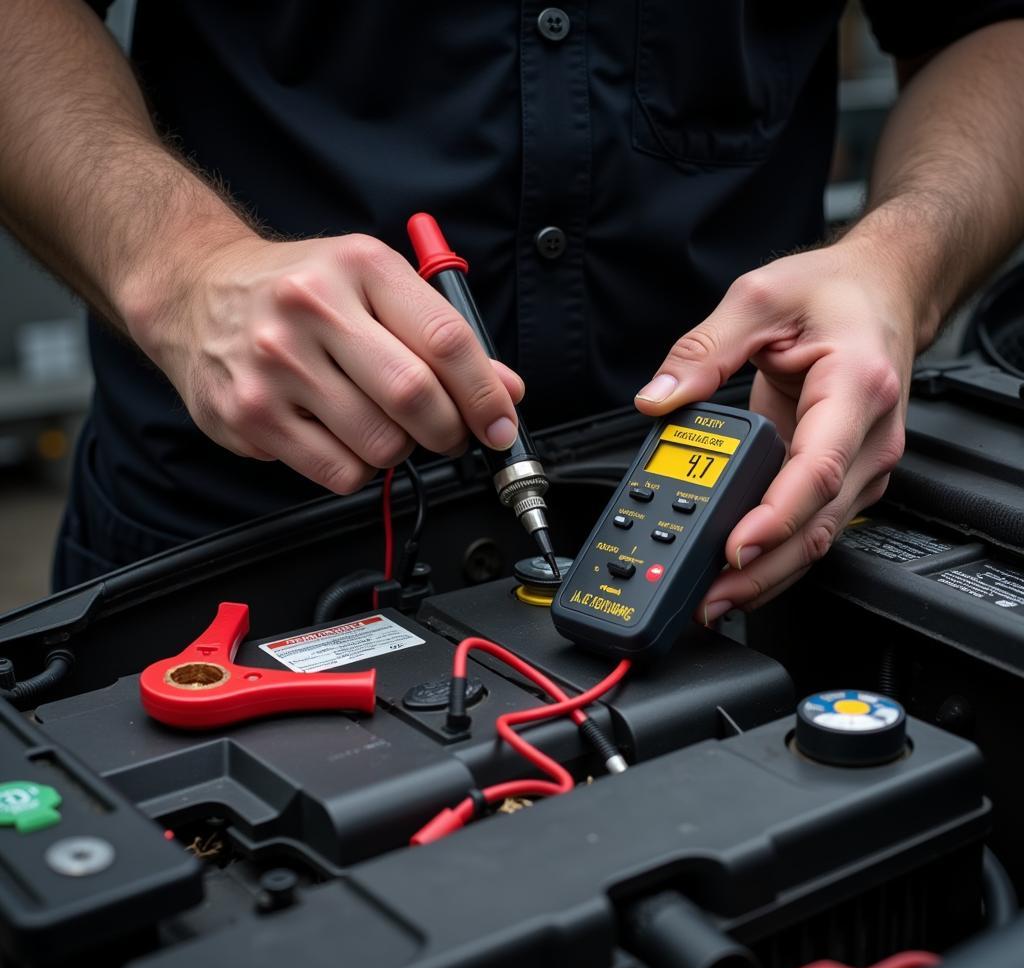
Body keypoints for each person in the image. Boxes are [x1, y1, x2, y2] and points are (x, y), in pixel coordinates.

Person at [2, 2, 1022, 621]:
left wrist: (900, 265)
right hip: (223, 539)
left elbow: (986, 23)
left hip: (748, 530)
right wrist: (177, 263)